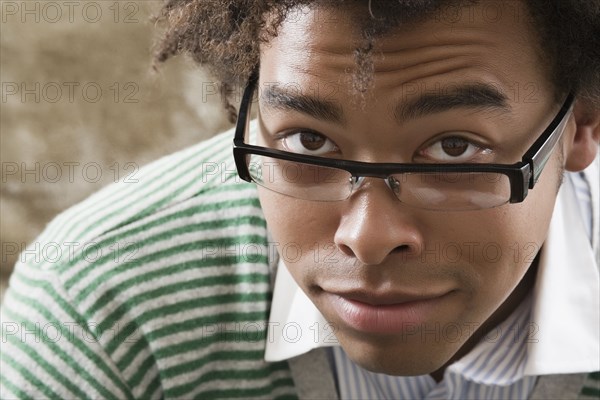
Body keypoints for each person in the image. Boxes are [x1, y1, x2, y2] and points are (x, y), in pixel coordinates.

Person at [1, 0, 599, 398]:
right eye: (308, 141)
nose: (365, 238)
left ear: (583, 126)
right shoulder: (101, 302)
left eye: (452, 148)